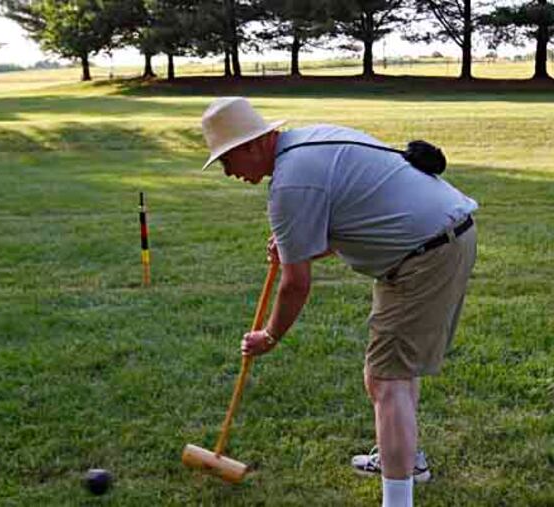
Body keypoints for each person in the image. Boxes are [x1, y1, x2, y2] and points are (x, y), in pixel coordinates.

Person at [201, 97, 478, 507]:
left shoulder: (291, 184)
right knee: (390, 373)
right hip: (433, 240)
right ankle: (400, 459)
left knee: (387, 380)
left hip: (425, 253)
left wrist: (270, 336)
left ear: (252, 145)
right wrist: (303, 245)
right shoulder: (308, 141)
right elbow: (362, 213)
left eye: (227, 160)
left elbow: (295, 285)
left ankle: (397, 498)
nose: (228, 172)